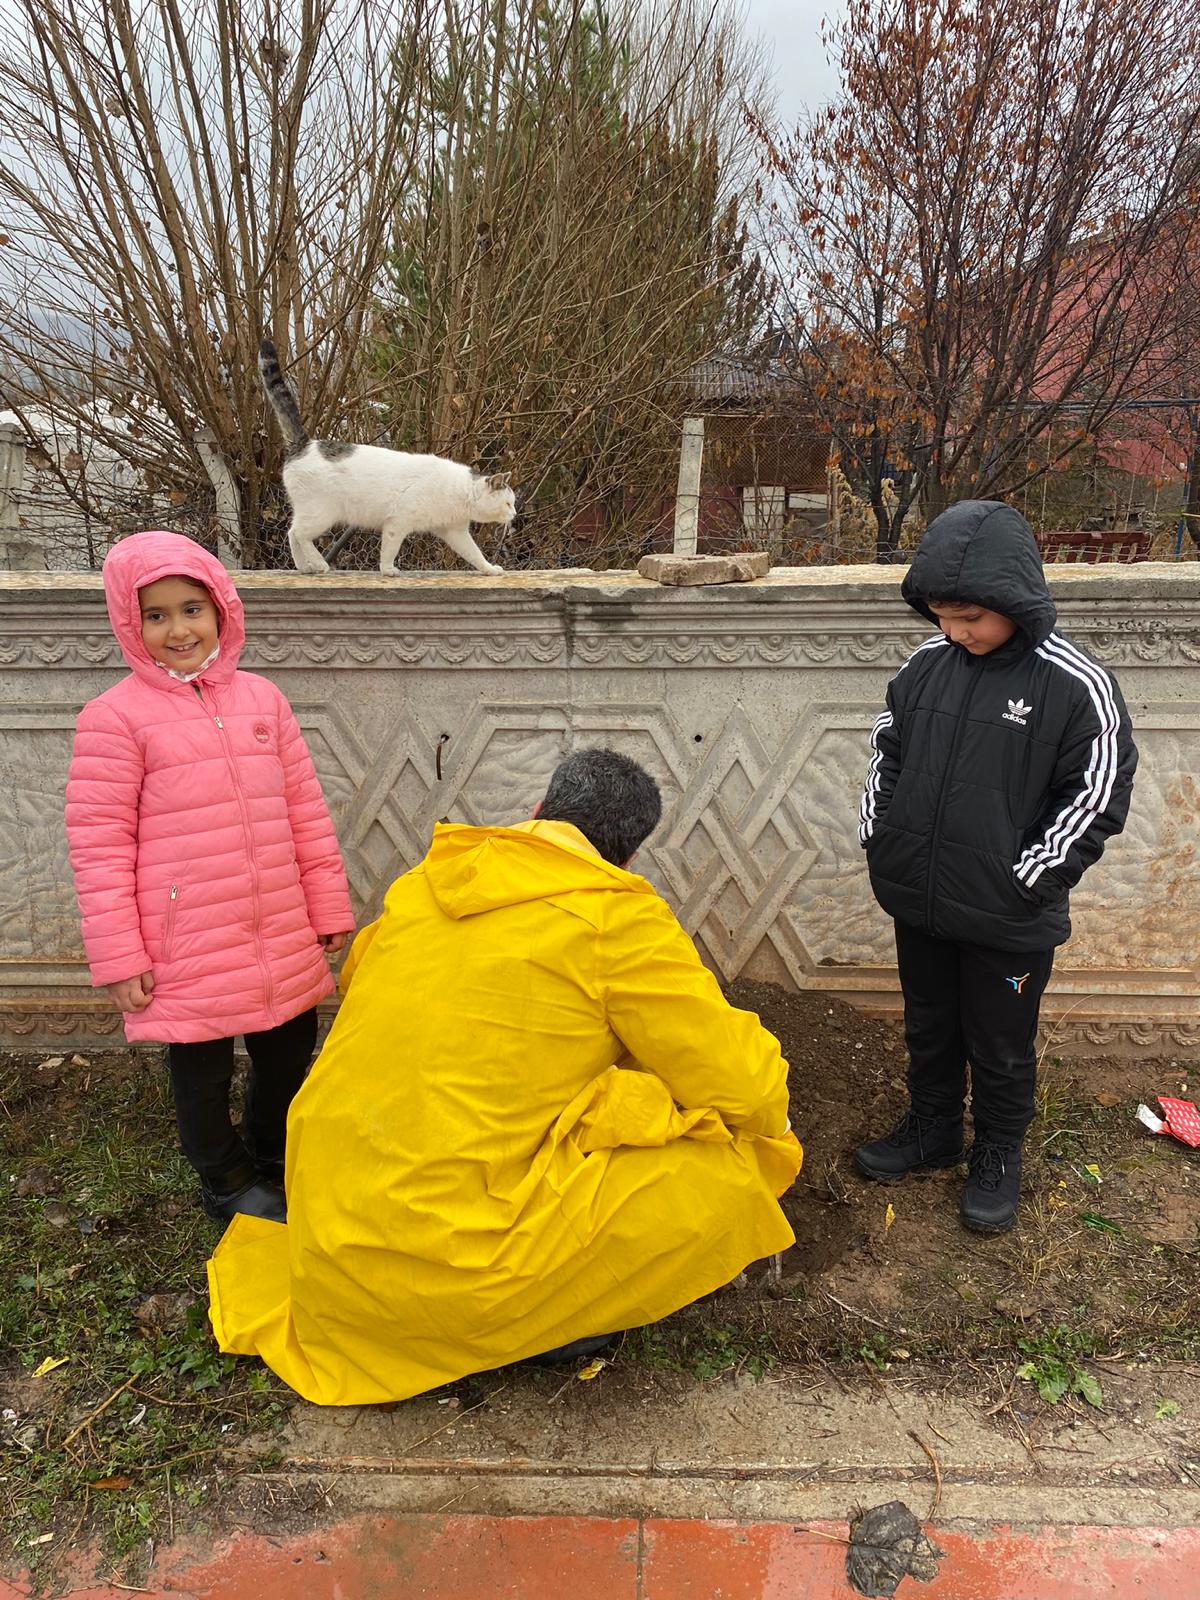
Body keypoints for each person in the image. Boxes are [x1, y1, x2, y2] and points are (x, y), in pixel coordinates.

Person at [206, 748, 801, 1405]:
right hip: (445, 1273)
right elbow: (743, 1086)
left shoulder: (429, 880)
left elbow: (357, 980)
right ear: (629, 858)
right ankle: (546, 1325)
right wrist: (769, 1115)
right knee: (735, 1163)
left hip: (327, 1238)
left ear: (538, 811)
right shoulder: (617, 919)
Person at [856, 500, 1136, 1234]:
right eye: (943, 617)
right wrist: (881, 836)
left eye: (971, 618)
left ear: (1014, 601)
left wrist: (1030, 877)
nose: (956, 632)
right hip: (920, 899)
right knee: (930, 1024)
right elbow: (888, 751)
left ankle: (998, 1152)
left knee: (1000, 1043)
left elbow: (1098, 792)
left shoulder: (1074, 684)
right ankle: (933, 1130)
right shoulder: (926, 666)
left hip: (1010, 919)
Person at [65, 530, 354, 1225]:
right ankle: (225, 1177)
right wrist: (121, 956)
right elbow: (99, 845)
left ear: (221, 608)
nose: (178, 630)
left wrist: (326, 906)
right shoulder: (114, 718)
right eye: (155, 615)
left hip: (277, 925)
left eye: (191, 609)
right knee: (202, 1069)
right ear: (130, 624)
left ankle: (272, 1147)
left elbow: (305, 812)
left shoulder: (264, 701)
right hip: (186, 942)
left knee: (288, 1050)